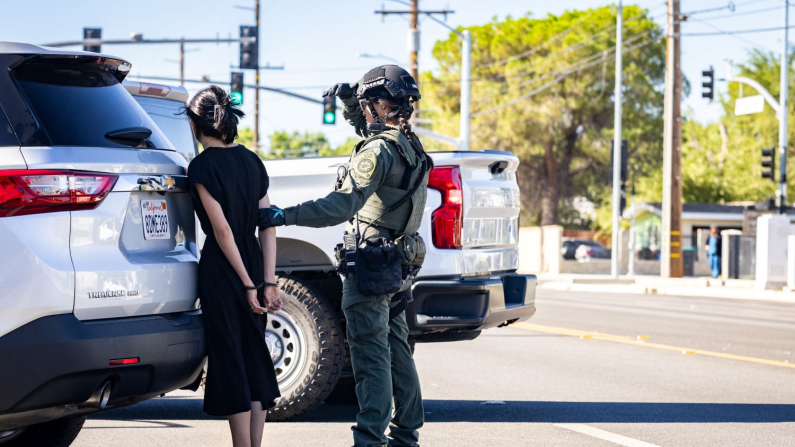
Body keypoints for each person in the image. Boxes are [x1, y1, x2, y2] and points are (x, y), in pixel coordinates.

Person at [259, 65, 428, 447]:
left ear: (380, 104)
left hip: (371, 267)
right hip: (397, 265)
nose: (365, 111)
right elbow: (372, 135)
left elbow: (340, 205)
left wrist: (286, 215)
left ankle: (369, 439)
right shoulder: (409, 145)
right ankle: (406, 436)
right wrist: (353, 103)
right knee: (397, 350)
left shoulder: (379, 150)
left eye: (368, 103)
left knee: (370, 355)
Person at [185, 86, 282, 447]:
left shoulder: (201, 167)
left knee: (231, 359)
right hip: (255, 263)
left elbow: (222, 231)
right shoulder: (252, 160)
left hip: (224, 272)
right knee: (256, 356)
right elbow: (268, 223)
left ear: (196, 126)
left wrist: (246, 285)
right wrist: (266, 281)